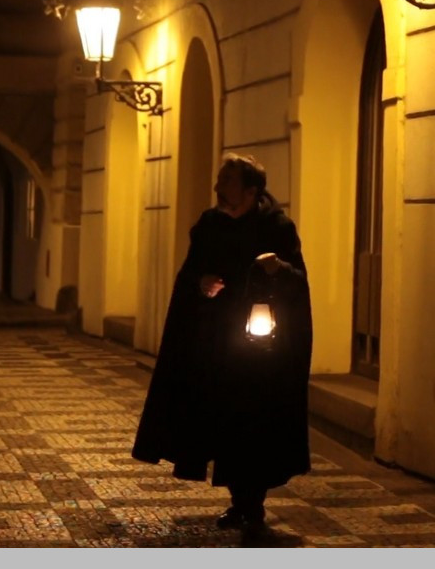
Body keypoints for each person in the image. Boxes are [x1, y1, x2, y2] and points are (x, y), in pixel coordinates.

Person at [132, 153, 313, 532]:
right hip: (216, 342)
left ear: (250, 189)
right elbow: (190, 273)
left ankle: (252, 503)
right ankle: (240, 502)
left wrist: (277, 270)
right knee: (225, 422)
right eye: (218, 180)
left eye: (226, 182)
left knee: (254, 423)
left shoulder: (276, 227)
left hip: (262, 348)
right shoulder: (210, 225)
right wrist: (200, 282)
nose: (217, 188)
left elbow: (298, 280)